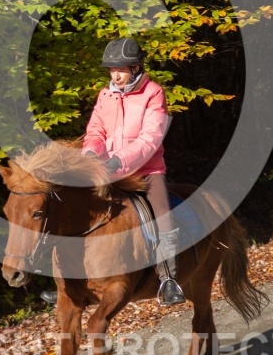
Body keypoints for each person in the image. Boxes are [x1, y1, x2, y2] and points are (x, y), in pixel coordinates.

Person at [41, 37, 185, 307]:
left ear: (136, 68)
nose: (115, 76)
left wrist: (119, 160)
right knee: (70, 208)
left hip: (146, 170)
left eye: (120, 70)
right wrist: (91, 155)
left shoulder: (154, 93)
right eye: (111, 70)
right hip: (106, 169)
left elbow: (151, 138)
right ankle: (66, 284)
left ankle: (168, 279)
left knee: (161, 214)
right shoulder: (105, 95)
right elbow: (96, 131)